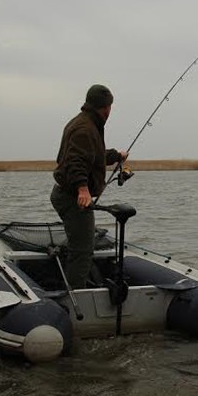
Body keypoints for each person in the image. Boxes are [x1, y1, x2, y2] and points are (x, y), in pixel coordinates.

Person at [50, 84, 129, 289]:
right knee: (83, 251)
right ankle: (75, 295)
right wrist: (82, 189)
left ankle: (75, 284)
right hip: (73, 197)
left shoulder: (85, 123)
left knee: (80, 246)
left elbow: (92, 155)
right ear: (106, 108)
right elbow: (75, 161)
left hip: (67, 194)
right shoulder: (85, 128)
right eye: (110, 107)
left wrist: (116, 156)